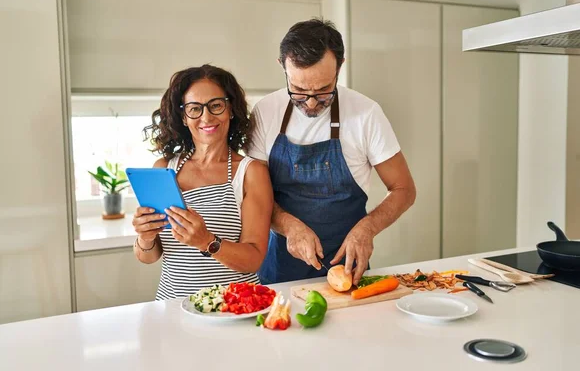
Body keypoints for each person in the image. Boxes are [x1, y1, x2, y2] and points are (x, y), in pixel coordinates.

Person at [248, 18, 416, 285]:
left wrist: (367, 229)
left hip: (349, 267)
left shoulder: (366, 113)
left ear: (340, 67)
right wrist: (289, 226)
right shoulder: (265, 112)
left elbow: (404, 190)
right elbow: (253, 196)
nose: (312, 103)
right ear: (283, 66)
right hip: (279, 270)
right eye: (300, 91)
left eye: (325, 90)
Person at [132, 65, 273, 300]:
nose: (206, 117)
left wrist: (207, 241)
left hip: (233, 309)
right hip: (172, 309)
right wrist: (144, 237)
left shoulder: (250, 172)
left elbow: (254, 259)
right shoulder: (164, 168)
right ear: (184, 117)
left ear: (230, 110)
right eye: (194, 109)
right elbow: (148, 257)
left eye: (216, 105)